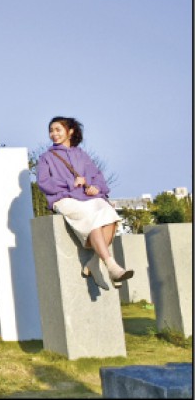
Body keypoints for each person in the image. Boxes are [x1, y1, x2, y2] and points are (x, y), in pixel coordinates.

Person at [37, 116, 133, 290]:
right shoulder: (46, 157)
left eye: (58, 129)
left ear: (70, 131)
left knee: (108, 212)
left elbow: (97, 176)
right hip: (64, 198)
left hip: (87, 197)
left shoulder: (81, 154)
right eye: (51, 130)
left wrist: (95, 187)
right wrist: (69, 183)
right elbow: (43, 183)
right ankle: (111, 266)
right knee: (93, 218)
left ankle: (94, 262)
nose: (53, 134)